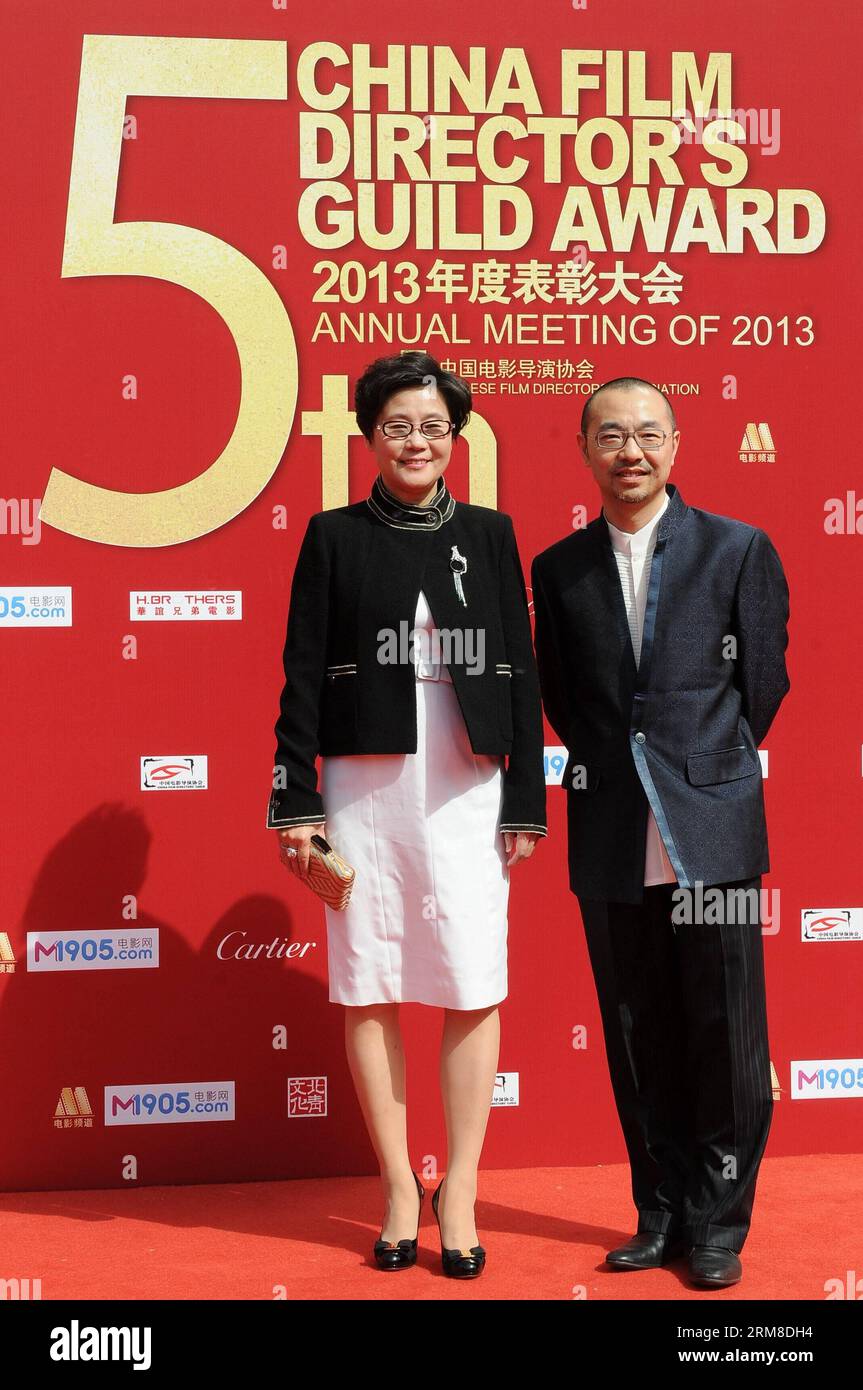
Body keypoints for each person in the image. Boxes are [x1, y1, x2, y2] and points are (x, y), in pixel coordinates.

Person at [266, 351, 547, 1278]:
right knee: (367, 975)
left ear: (455, 434)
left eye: (431, 424)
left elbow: (521, 664)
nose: (415, 440)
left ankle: (457, 1188)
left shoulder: (493, 532)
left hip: (468, 782)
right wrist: (294, 799)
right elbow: (302, 670)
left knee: (470, 979)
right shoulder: (333, 534)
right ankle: (396, 1185)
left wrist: (525, 799)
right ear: (369, 436)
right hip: (361, 783)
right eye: (396, 425)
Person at [531, 377, 790, 1289]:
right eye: (610, 436)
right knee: (635, 1030)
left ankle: (720, 1222)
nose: (628, 451)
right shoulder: (556, 569)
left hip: (708, 824)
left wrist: (700, 764)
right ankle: (660, 1213)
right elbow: (564, 699)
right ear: (584, 449)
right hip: (609, 828)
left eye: (646, 434)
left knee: (724, 1033)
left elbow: (760, 686)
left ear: (675, 446)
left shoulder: (736, 550)